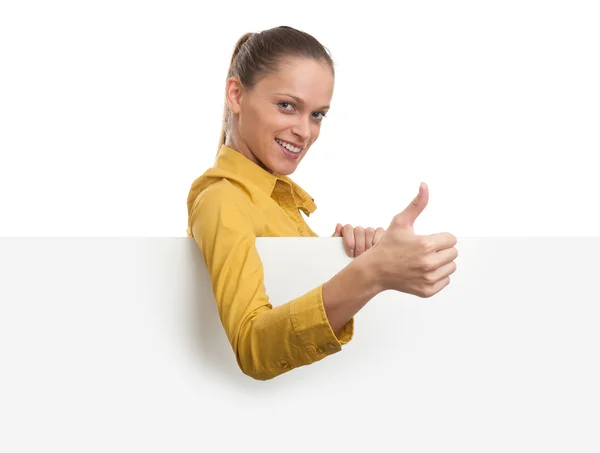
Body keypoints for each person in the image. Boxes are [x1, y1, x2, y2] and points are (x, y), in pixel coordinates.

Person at [186, 26, 458, 381]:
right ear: (236, 95)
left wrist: (346, 256)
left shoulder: (277, 203)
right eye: (287, 106)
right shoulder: (223, 201)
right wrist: (372, 274)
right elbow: (253, 346)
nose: (305, 131)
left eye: (317, 115)